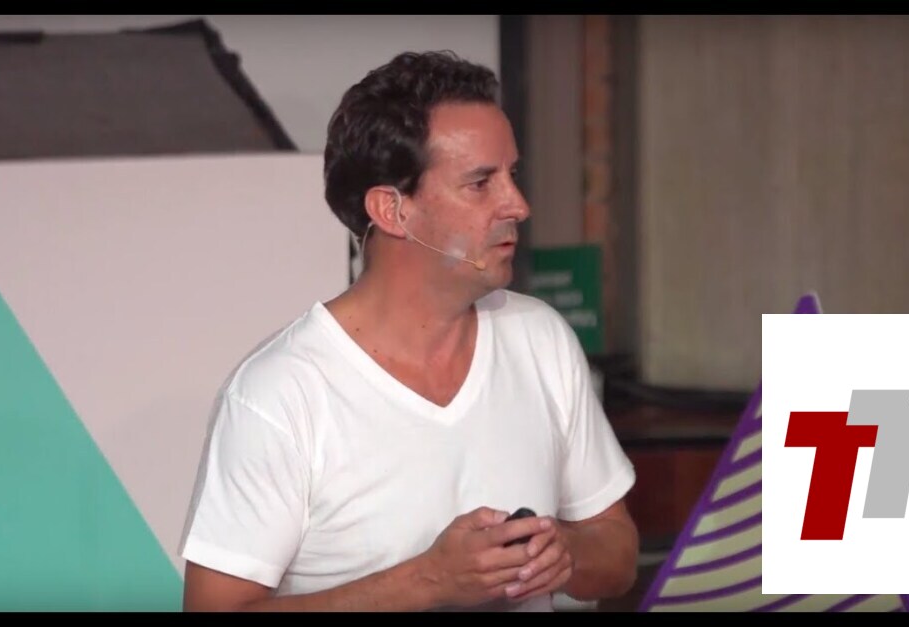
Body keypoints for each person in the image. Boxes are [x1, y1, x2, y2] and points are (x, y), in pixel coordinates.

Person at [177, 50, 639, 612]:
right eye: (481, 183)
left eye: (512, 176)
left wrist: (565, 553)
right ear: (392, 211)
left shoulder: (539, 339)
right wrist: (427, 581)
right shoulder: (280, 393)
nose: (517, 205)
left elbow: (617, 552)